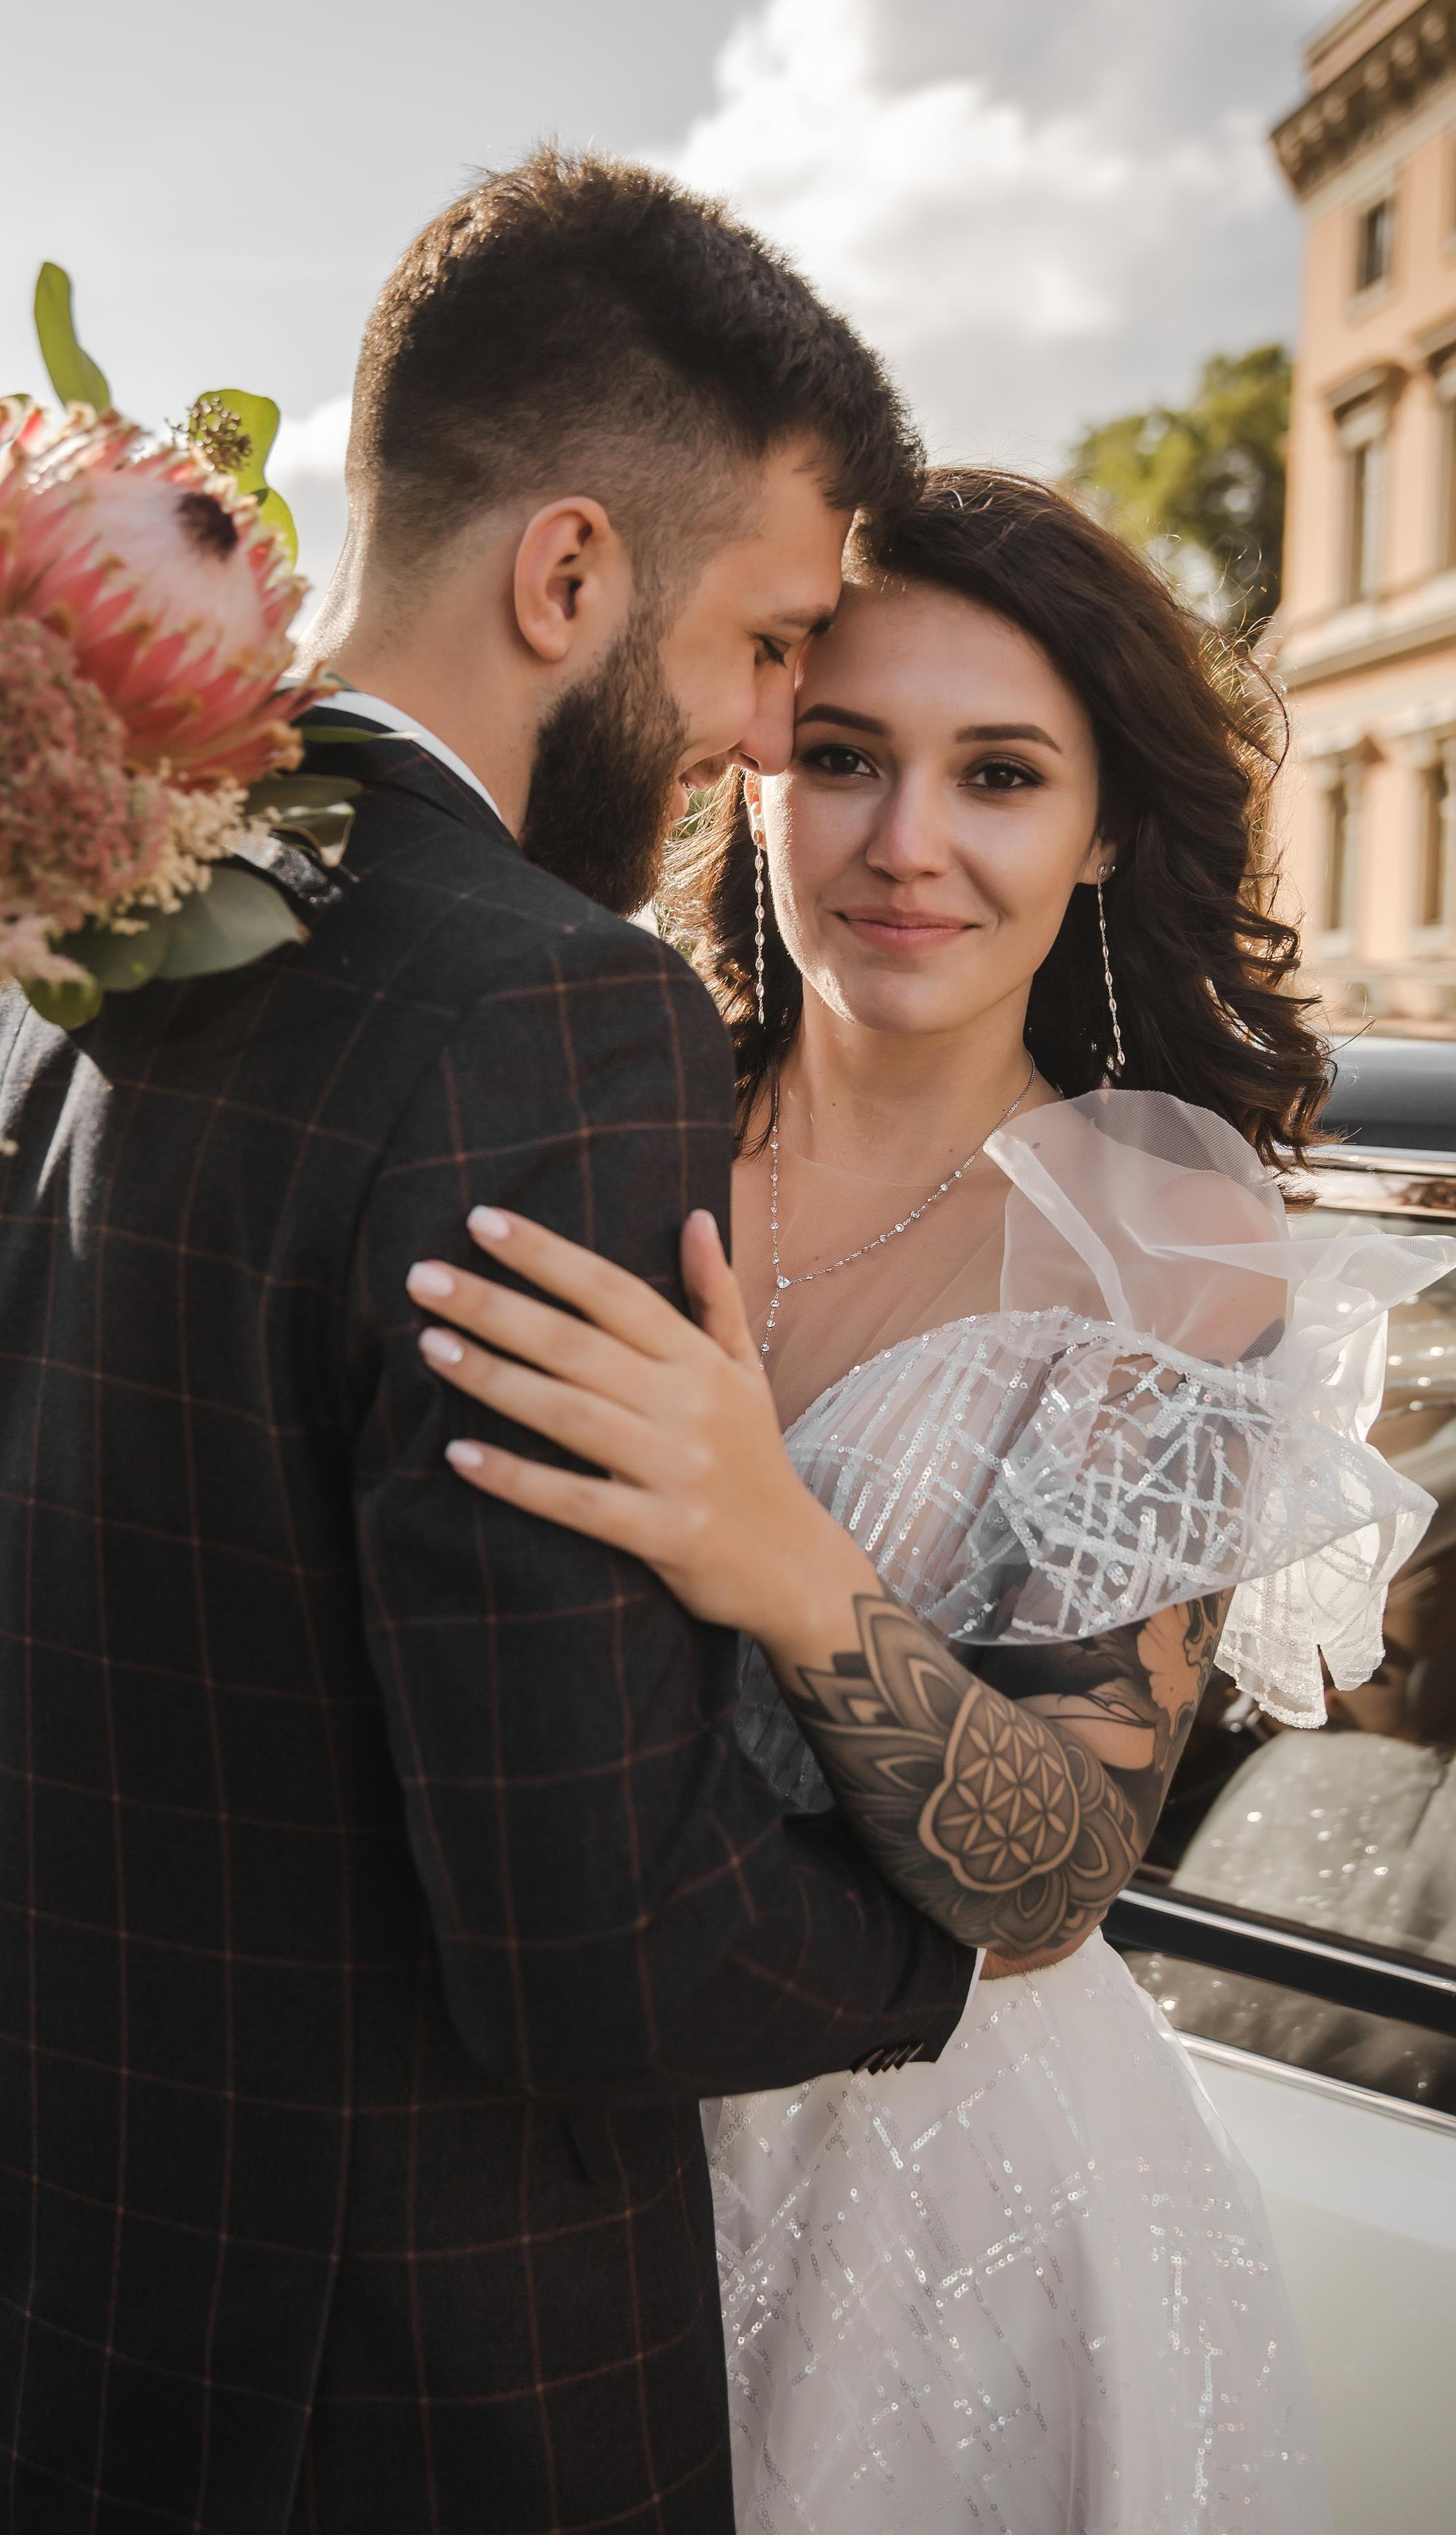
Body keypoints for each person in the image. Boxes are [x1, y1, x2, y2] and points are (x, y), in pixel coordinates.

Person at [0, 151, 996, 2535]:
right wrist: (952, 1948)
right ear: (569, 572)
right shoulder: (549, 1011)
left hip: (9, 2357)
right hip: (399, 2434)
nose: (773, 740)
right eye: (766, 645)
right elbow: (600, 1945)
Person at [408, 468, 1454, 2531]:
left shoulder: (1162, 1228)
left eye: (997, 776)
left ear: (1103, 832)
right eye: (842, 758)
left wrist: (775, 1552)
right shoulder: (603, 1113)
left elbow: (1056, 1868)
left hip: (946, 2226)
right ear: (753, 778)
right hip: (532, 2173)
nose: (906, 845)